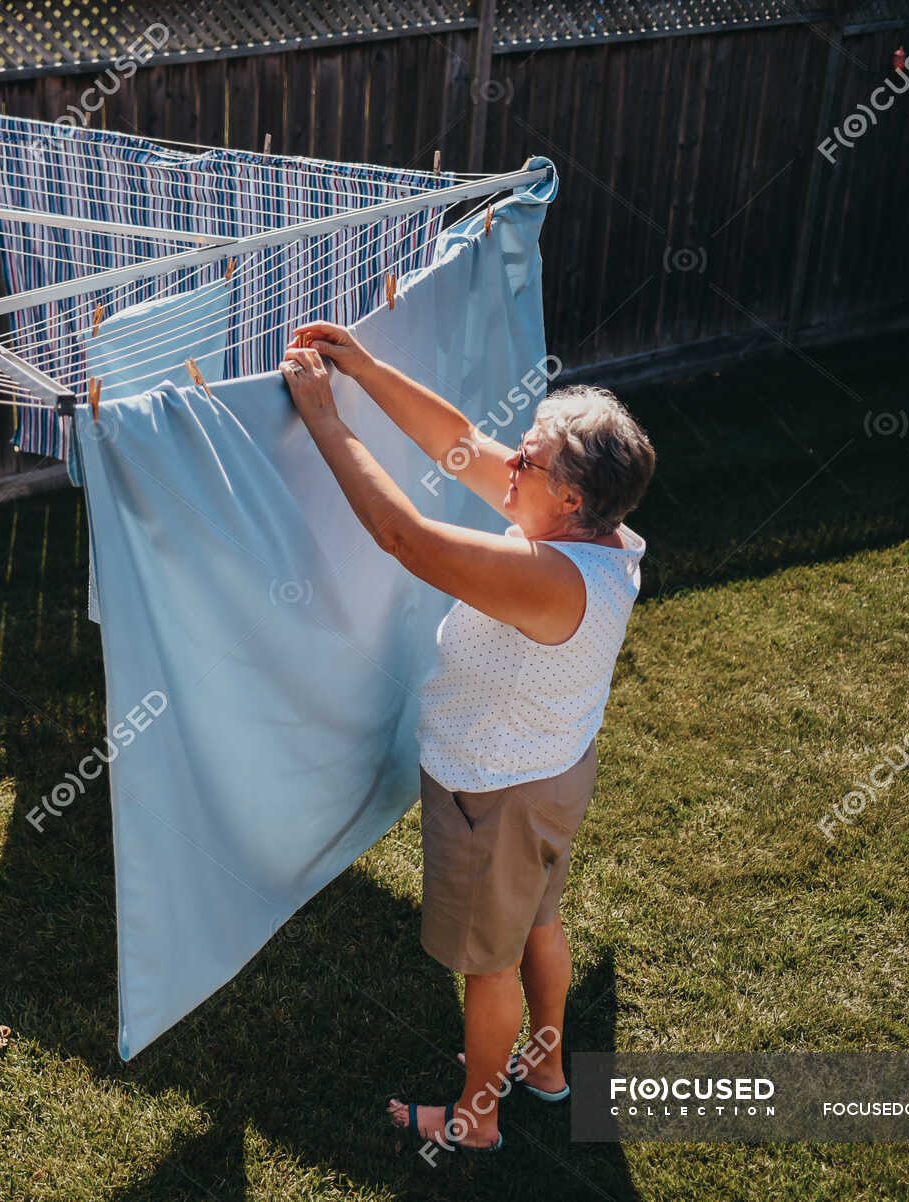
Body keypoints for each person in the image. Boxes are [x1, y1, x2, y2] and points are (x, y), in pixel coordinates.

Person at [280, 321, 655, 1152]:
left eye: (530, 460)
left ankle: (476, 1119)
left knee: (490, 966)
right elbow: (461, 443)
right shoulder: (604, 537)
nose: (509, 463)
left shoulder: (548, 574)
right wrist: (367, 369)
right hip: (554, 773)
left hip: (495, 791)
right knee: (536, 926)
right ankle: (547, 1069)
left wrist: (324, 420)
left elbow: (404, 537)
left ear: (567, 497)